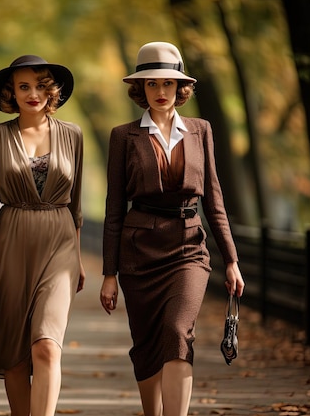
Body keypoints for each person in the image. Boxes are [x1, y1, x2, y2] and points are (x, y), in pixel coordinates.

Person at [100, 42, 245, 416]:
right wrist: (109, 274)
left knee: (178, 331)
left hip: (188, 250)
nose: (161, 92)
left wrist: (231, 259)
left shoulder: (201, 130)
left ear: (181, 88)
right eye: (152, 84)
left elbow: (214, 199)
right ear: (140, 89)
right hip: (138, 252)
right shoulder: (123, 136)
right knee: (146, 342)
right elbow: (114, 208)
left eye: (168, 83)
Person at [0, 55, 85, 416]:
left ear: (51, 90)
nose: (33, 93)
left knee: (47, 346)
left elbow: (76, 206)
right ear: (11, 92)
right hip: (10, 242)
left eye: (39, 85)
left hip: (60, 242)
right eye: (23, 86)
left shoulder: (73, 134)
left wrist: (78, 259)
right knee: (15, 353)